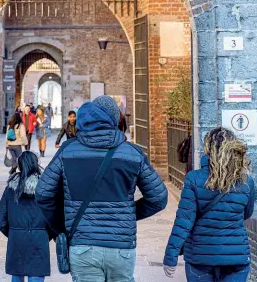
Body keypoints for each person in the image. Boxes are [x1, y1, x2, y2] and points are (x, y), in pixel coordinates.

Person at [36, 95, 168, 282]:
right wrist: (128, 213)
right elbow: (158, 198)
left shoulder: (68, 151)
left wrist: (60, 224)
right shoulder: (131, 153)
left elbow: (42, 193)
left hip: (83, 244)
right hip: (121, 246)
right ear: (114, 120)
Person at [163, 127, 255, 282]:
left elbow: (184, 222)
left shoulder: (194, 178)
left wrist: (170, 256)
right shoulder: (246, 182)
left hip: (200, 257)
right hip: (235, 258)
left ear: (207, 148)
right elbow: (247, 213)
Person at [0, 151, 53, 282]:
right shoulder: (46, 189)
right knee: (36, 275)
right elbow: (53, 217)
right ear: (36, 164)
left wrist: (14, 232)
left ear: (20, 165)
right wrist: (45, 234)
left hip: (17, 239)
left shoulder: (10, 189)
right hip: (39, 240)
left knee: (17, 275)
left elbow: (1, 220)